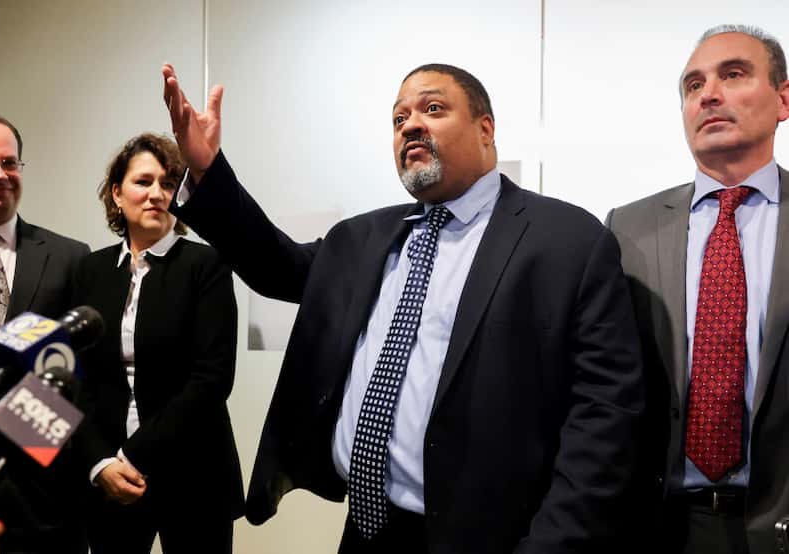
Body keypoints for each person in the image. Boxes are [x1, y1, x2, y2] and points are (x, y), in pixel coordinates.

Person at [163, 62, 645, 552]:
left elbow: (604, 416)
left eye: (433, 108)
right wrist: (207, 173)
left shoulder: (567, 241)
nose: (411, 124)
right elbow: (274, 267)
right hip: (367, 531)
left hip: (494, 537)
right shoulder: (364, 237)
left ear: (485, 129)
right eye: (398, 119)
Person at [607, 25, 789, 554]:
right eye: (692, 85)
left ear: (782, 99)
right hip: (659, 527)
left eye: (733, 75)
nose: (708, 94)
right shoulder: (627, 227)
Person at [73, 133, 243, 553]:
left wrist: (133, 456)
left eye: (167, 184)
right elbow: (75, 380)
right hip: (110, 478)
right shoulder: (90, 271)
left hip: (193, 472)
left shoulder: (205, 265)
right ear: (116, 193)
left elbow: (212, 379)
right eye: (143, 182)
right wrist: (100, 463)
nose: (156, 194)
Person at [0, 112, 90, 554]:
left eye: (10, 163)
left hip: (45, 478)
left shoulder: (70, 256)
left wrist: (19, 436)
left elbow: (81, 367)